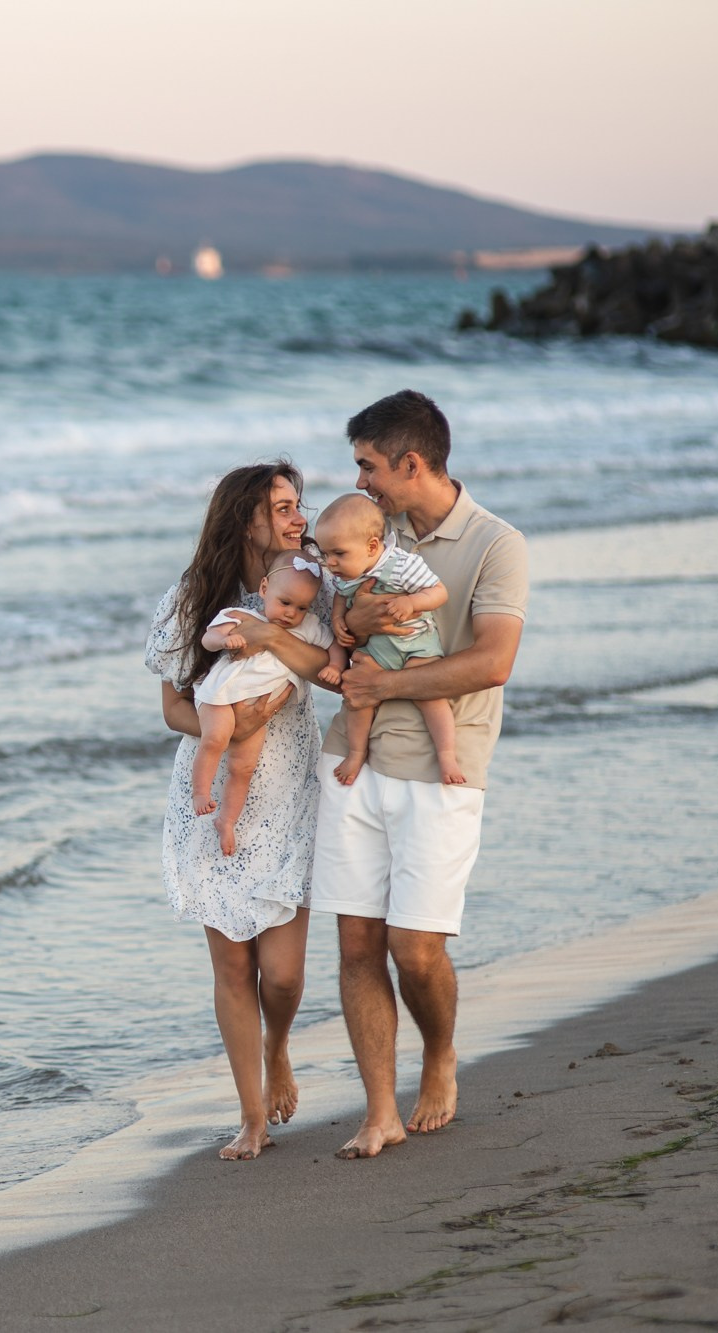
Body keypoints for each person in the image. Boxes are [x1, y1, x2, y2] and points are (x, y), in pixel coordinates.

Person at [310, 390, 528, 1160]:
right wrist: (353, 625)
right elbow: (335, 612)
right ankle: (379, 1110)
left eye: (369, 466)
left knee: (416, 949)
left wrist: (387, 682)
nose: (361, 480)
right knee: (357, 944)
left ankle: (440, 1052)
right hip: (352, 764)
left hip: (444, 773)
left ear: (410, 462)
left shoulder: (496, 544)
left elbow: (493, 662)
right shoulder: (369, 534)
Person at [145, 461, 337, 1160]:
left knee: (281, 975)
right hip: (210, 797)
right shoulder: (191, 600)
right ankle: (251, 1116)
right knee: (232, 968)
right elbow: (171, 706)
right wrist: (231, 724)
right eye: (281, 506)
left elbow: (335, 672)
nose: (296, 516)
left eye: (297, 504)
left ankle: (277, 1044)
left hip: (288, 791)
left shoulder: (314, 590)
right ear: (244, 517)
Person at [188, 559, 339, 856]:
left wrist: (334, 664)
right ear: (264, 588)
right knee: (216, 738)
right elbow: (208, 638)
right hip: (221, 695)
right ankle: (200, 792)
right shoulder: (240, 616)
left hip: (259, 713)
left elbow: (333, 646)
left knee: (243, 767)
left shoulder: (307, 627)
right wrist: (224, 639)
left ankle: (227, 821)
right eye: (285, 602)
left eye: (301, 607)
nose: (291, 613)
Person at [312, 493, 463, 786]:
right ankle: (356, 753)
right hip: (376, 652)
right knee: (358, 700)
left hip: (415, 645)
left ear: (371, 546)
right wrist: (338, 620)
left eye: (338, 554)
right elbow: (342, 598)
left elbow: (438, 592)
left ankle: (447, 755)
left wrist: (412, 603)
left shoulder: (404, 564)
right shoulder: (346, 572)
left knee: (431, 697)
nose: (330, 563)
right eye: (325, 554)